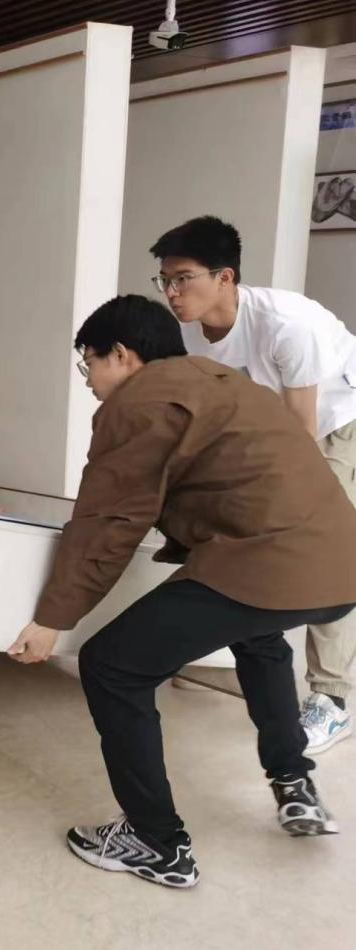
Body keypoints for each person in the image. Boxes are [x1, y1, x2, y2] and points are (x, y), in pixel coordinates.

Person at [8, 295, 356, 889]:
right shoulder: (233, 385)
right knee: (260, 635)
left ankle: (156, 843)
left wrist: (52, 620)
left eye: (88, 363)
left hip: (265, 562)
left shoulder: (138, 402)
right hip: (339, 565)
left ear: (122, 355)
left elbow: (110, 521)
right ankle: (293, 779)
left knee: (112, 665)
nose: (88, 379)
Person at [149, 216, 356, 753]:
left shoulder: (288, 326)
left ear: (225, 277)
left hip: (337, 421)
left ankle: (332, 698)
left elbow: (301, 434)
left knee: (322, 550)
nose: (172, 293)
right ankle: (229, 651)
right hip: (277, 425)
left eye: (183, 279)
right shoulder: (189, 332)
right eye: (165, 280)